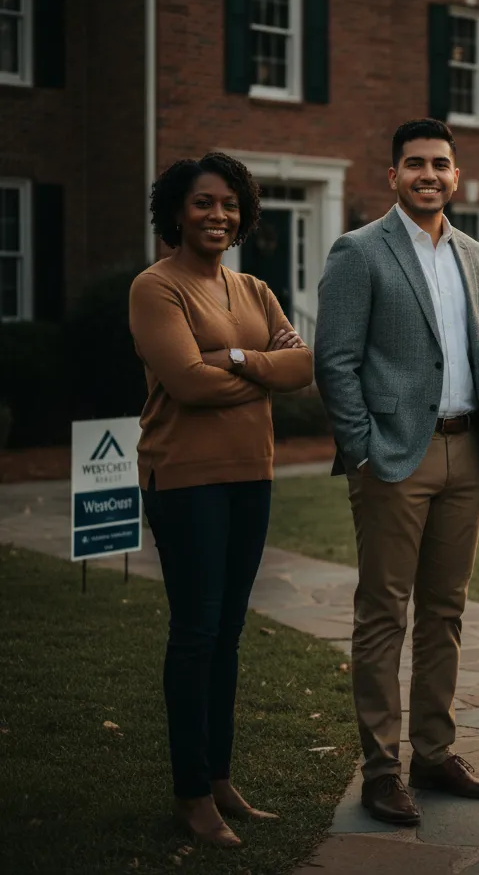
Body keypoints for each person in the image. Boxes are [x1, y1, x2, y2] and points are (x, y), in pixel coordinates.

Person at [315, 118, 479, 827]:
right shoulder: (359, 251)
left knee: (445, 610)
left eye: (440, 164)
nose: (428, 174)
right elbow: (333, 359)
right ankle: (380, 769)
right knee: (382, 613)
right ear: (392, 175)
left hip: (469, 455)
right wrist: (362, 449)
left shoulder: (477, 255)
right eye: (414, 164)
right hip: (394, 457)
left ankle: (434, 752)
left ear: (455, 176)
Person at [129, 153, 313, 847]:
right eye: (204, 203)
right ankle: (189, 793)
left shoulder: (255, 289)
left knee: (229, 633)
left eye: (230, 204)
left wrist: (235, 362)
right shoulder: (157, 288)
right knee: (197, 632)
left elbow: (306, 365)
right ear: (177, 211)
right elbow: (187, 384)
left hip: (251, 475)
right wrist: (262, 372)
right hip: (185, 478)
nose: (218, 215)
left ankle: (220, 778)